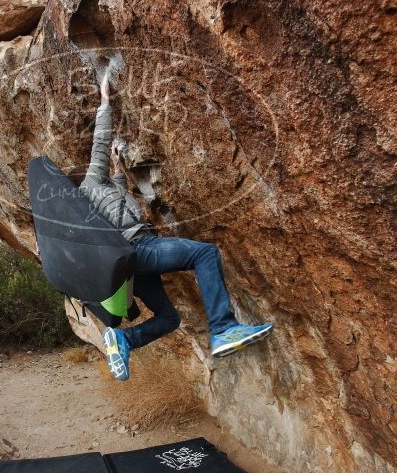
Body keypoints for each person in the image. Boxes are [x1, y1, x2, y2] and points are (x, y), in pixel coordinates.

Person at [80, 71, 274, 381]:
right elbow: (100, 141)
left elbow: (116, 203)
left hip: (129, 269)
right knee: (204, 254)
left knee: (169, 318)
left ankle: (124, 339)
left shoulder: (92, 200)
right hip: (137, 249)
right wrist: (104, 101)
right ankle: (223, 329)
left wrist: (119, 171)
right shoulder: (89, 183)